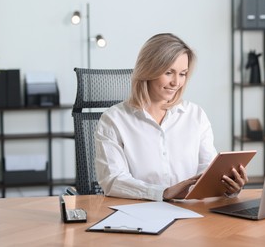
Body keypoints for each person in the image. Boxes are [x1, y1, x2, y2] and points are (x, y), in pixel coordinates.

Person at [95, 33, 248, 201]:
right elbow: (112, 180)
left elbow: (207, 169)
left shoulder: (195, 115)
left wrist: (227, 186)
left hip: (191, 214)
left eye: (182, 74)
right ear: (148, 70)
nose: (176, 82)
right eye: (169, 72)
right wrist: (163, 192)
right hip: (139, 213)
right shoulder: (114, 120)